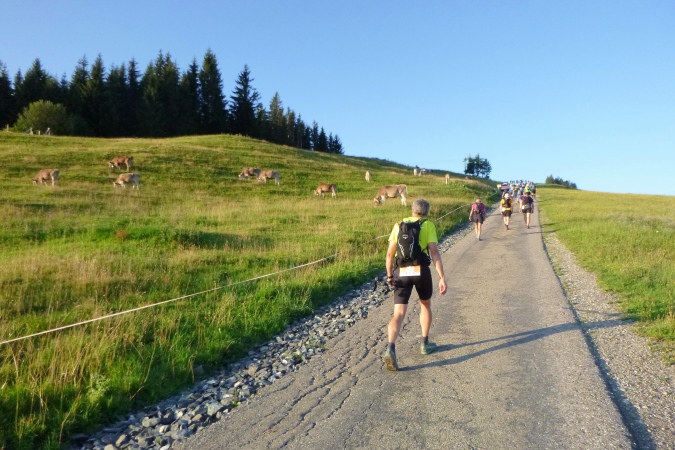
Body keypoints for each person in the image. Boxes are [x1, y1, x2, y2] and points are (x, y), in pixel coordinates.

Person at [383, 199, 447, 371]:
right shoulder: (428, 225)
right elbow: (434, 252)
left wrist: (389, 276)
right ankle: (424, 344)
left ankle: (390, 348)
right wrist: (442, 277)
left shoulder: (398, 225)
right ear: (427, 212)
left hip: (401, 272)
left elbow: (389, 255)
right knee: (425, 305)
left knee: (398, 313)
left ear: (412, 210)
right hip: (421, 271)